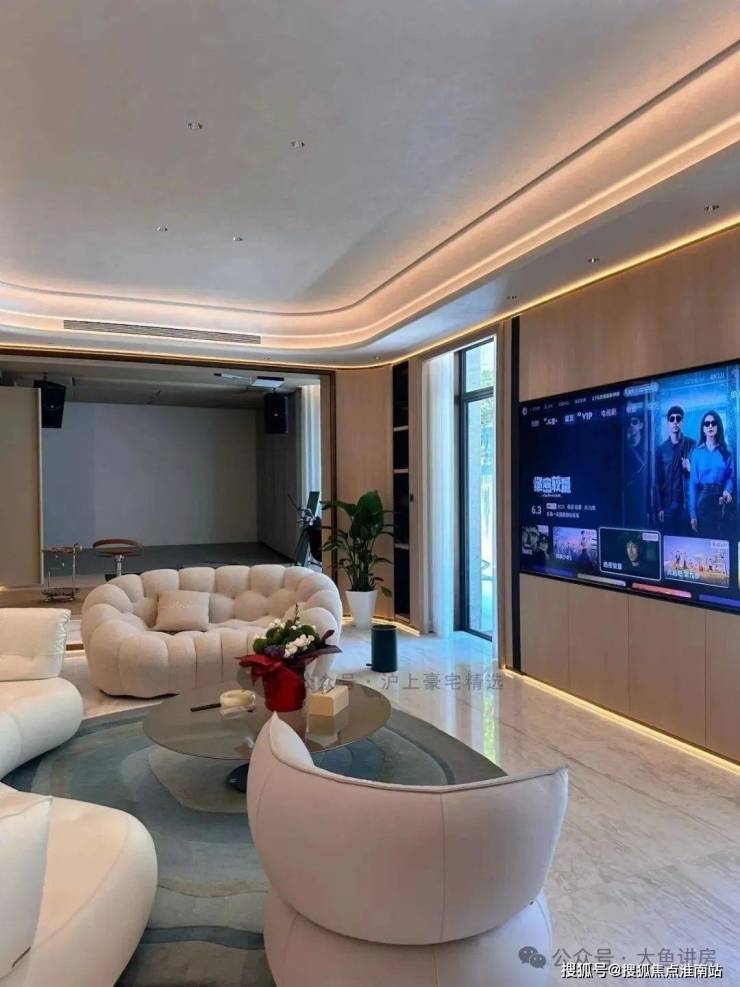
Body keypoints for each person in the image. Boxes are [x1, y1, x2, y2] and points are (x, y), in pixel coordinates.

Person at [689, 410, 734, 537]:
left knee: (721, 539)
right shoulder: (696, 453)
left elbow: (731, 477)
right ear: (703, 429)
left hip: (722, 500)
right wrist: (693, 515)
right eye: (707, 423)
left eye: (713, 423)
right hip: (703, 500)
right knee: (705, 539)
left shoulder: (727, 451)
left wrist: (727, 490)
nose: (710, 426)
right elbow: (692, 485)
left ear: (718, 426)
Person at [654, 405, 695, 534]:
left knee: (687, 541)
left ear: (682, 422)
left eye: (678, 418)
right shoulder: (661, 449)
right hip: (668, 507)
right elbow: (658, 480)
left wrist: (690, 468)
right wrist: (659, 507)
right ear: (668, 423)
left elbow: (699, 476)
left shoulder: (692, 445)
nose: (675, 421)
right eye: (672, 419)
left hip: (687, 506)